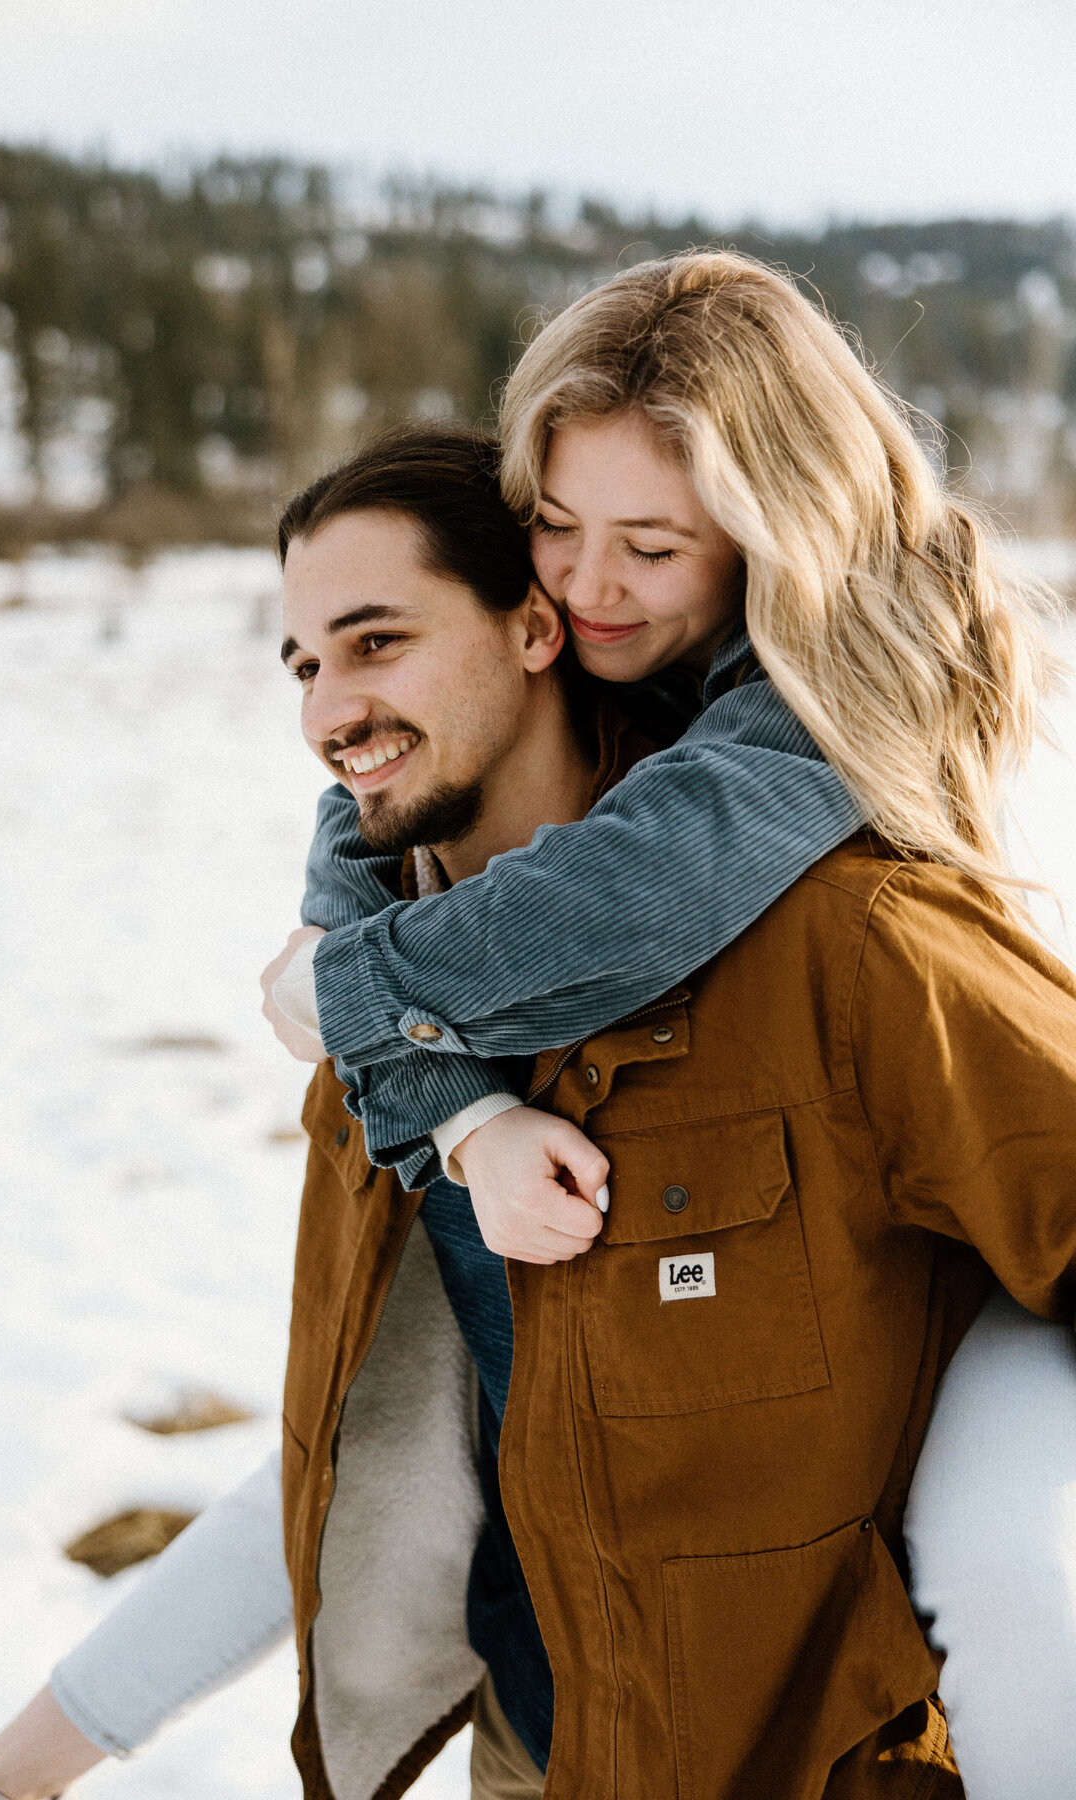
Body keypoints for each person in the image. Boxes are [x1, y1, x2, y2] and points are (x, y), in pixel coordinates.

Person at [263, 251, 1076, 1800]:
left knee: (1004, 1559)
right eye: (555, 532)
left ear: (776, 544)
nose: (587, 587)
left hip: (827, 1698)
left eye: (652, 545)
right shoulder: (538, 779)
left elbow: (641, 889)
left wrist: (348, 994)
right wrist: (459, 1106)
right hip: (562, 1712)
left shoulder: (808, 749)